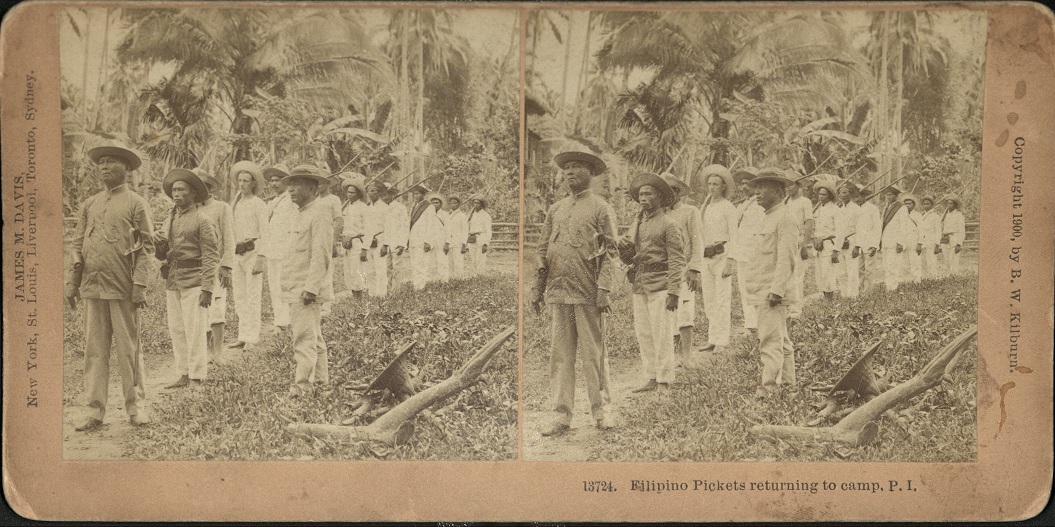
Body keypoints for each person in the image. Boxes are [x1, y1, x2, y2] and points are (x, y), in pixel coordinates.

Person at [66, 144, 154, 430]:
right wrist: (72, 282)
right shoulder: (90, 203)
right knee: (95, 352)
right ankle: (94, 411)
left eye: (110, 162)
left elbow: (146, 248)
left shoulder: (135, 203)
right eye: (100, 163)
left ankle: (136, 408)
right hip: (93, 287)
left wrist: (139, 284)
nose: (103, 167)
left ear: (125, 168)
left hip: (123, 287)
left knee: (129, 349)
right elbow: (77, 243)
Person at [532, 146, 618, 435]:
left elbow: (610, 253)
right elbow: (542, 251)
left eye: (577, 167)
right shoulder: (556, 209)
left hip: (588, 291)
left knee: (594, 353)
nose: (569, 172)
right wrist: (537, 289)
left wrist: (604, 288)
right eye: (566, 168)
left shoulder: (601, 208)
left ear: (591, 173)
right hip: (559, 291)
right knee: (560, 356)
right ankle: (561, 415)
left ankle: (602, 411)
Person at [619, 173, 685, 393]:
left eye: (648, 194)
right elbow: (630, 255)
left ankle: (665, 379)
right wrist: (623, 250)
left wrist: (674, 291)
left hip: (661, 284)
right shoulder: (637, 223)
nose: (643, 198)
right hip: (640, 283)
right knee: (644, 332)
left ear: (660, 197)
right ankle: (651, 376)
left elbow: (677, 259)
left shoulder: (669, 224)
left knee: (662, 332)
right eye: (640, 194)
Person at [156, 168, 220, 392]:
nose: (176, 194)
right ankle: (183, 372)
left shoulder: (203, 219)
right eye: (174, 190)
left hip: (194, 279)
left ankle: (197, 376)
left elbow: (211, 255)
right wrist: (159, 247)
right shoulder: (171, 218)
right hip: (173, 279)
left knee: (195, 329)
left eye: (182, 190)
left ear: (193, 194)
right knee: (177, 328)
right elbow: (164, 251)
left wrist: (207, 287)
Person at [743, 168, 799, 397]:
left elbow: (787, 258)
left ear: (777, 190)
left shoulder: (785, 218)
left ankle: (769, 388)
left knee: (769, 340)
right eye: (755, 188)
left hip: (771, 292)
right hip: (762, 288)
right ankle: (788, 385)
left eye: (761, 188)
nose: (756, 193)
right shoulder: (769, 216)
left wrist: (776, 290)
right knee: (781, 339)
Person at [281, 165, 335, 397]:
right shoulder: (302, 214)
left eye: (296, 185)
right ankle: (321, 384)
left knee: (303, 339)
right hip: (297, 285)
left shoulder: (320, 214)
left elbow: (321, 254)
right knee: (315, 337)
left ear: (312, 188)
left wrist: (311, 288)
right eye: (290, 185)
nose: (290, 189)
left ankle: (302, 388)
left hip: (306, 289)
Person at [222, 160, 268, 351]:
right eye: (240, 180)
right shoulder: (235, 204)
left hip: (253, 250)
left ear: (253, 183)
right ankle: (242, 335)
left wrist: (261, 257)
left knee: (252, 295)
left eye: (246, 181)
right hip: (237, 253)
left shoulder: (258, 204)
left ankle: (252, 337)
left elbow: (265, 232)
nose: (242, 184)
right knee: (239, 296)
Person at [661, 172, 703, 364]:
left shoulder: (689, 211)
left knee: (685, 311)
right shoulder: (658, 214)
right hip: (663, 270)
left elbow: (697, 241)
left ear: (677, 192)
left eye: (671, 191)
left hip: (684, 267)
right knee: (668, 312)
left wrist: (694, 268)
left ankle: (687, 355)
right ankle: (675, 355)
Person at [196, 170, 236, 362]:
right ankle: (204, 352)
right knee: (199, 310)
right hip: (195, 267)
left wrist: (226, 265)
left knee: (216, 309)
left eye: (203, 186)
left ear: (209, 188)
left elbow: (229, 237)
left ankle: (218, 352)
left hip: (216, 265)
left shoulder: (221, 208)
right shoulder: (189, 208)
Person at [697, 165, 737, 353]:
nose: (712, 187)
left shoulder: (728, 207)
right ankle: (712, 338)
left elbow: (734, 236)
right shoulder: (704, 208)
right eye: (710, 184)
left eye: (716, 184)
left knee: (722, 298)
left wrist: (731, 260)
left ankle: (722, 340)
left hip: (722, 254)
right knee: (709, 299)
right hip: (706, 256)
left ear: (723, 187)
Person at [262, 164, 297, 335]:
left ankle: (287, 321)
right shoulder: (272, 202)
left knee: (285, 286)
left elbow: (293, 226)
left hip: (286, 250)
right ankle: (280, 320)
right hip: (272, 250)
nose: (274, 184)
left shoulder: (290, 201)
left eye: (278, 180)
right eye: (271, 181)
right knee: (274, 286)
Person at [730, 168, 764, 337]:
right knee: (744, 289)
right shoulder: (744, 204)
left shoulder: (758, 204)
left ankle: (756, 324)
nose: (743, 187)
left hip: (754, 252)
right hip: (742, 252)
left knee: (755, 288)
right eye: (741, 184)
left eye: (747, 184)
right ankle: (750, 323)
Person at [783, 175, 814, 319]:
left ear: (799, 185)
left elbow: (809, 223)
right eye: (786, 185)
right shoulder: (785, 202)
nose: (788, 188)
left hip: (799, 239)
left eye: (791, 185)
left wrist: (805, 245)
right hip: (785, 240)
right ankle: (787, 307)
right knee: (786, 275)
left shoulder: (805, 202)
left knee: (797, 276)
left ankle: (796, 311)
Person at [407, 184, 443, 290]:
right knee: (414, 264)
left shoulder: (429, 207)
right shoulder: (413, 207)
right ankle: (416, 285)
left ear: (423, 194)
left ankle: (420, 287)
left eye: (417, 193)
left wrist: (428, 241)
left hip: (422, 240)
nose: (415, 196)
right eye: (414, 194)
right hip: (413, 239)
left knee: (421, 264)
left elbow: (431, 225)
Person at [340, 174, 370, 299]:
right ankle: (354, 298)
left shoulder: (363, 208)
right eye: (348, 192)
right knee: (349, 272)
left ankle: (360, 299)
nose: (350, 195)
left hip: (358, 243)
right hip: (347, 243)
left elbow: (368, 229)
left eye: (353, 193)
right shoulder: (347, 208)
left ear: (358, 194)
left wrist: (365, 249)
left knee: (357, 271)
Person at [879, 185, 912, 291]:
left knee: (893, 266)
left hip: (895, 242)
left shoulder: (901, 208)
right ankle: (889, 287)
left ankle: (892, 288)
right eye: (887, 195)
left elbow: (904, 226)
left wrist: (900, 242)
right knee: (887, 266)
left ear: (896, 196)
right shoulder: (886, 207)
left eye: (890, 195)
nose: (888, 197)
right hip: (886, 241)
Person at [811, 177, 839, 300]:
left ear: (830, 196)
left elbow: (840, 231)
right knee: (820, 273)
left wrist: (835, 250)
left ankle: (829, 299)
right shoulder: (819, 210)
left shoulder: (835, 210)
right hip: (818, 246)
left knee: (828, 273)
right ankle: (824, 297)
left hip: (829, 245)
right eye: (819, 194)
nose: (821, 197)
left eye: (824, 195)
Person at [833, 181, 861, 298]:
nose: (842, 195)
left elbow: (860, 228)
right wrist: (836, 246)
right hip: (840, 241)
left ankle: (853, 295)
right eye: (840, 193)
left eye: (845, 192)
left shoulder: (856, 209)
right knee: (841, 271)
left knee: (852, 270)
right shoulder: (839, 209)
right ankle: (845, 295)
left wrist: (857, 246)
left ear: (851, 194)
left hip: (852, 240)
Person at [364, 181, 390, 297]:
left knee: (380, 269)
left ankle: (381, 295)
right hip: (369, 240)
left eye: (374, 191)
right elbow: (366, 228)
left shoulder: (385, 207)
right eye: (369, 191)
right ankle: (372, 294)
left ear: (379, 192)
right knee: (370, 271)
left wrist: (386, 244)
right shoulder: (368, 208)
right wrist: (364, 246)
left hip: (380, 239)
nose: (371, 193)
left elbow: (389, 227)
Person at [855, 187, 882, 294]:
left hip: (869, 243)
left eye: (859, 197)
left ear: (864, 197)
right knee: (859, 269)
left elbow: (877, 227)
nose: (857, 199)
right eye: (855, 197)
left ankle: (867, 293)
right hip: (858, 244)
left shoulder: (872, 208)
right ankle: (860, 292)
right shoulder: (855, 209)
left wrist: (874, 245)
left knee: (869, 270)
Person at [383, 184, 410, 290]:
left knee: (396, 268)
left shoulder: (400, 208)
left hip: (396, 242)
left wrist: (402, 244)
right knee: (387, 268)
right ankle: (388, 291)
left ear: (392, 195)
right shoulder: (383, 208)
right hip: (385, 243)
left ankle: (395, 292)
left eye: (386, 195)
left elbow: (405, 226)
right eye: (382, 195)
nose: (384, 198)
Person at [427, 192, 451, 283]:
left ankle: (444, 281)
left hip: (442, 241)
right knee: (431, 263)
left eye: (436, 203)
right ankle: (433, 281)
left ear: (440, 204)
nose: (434, 204)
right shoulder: (428, 215)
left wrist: (447, 243)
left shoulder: (445, 215)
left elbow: (449, 230)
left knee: (442, 262)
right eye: (433, 203)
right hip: (431, 242)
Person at [939, 194, 966, 276]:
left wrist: (959, 244)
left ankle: (953, 277)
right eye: (948, 203)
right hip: (945, 238)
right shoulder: (945, 215)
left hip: (954, 238)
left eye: (951, 203)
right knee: (946, 260)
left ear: (955, 205)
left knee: (953, 259)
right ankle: (947, 277)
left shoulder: (959, 215)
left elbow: (962, 230)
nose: (949, 205)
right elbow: (940, 226)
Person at [467, 196, 493, 276]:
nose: (476, 205)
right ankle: (474, 276)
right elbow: (467, 226)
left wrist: (486, 243)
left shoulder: (485, 215)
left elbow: (488, 230)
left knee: (480, 259)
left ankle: (480, 276)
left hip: (481, 237)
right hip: (472, 238)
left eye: (478, 203)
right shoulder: (471, 215)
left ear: (481, 205)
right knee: (473, 259)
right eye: (474, 203)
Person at [918, 195, 943, 279]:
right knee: (923, 261)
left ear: (932, 205)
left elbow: (938, 231)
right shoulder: (921, 216)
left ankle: (932, 279)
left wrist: (937, 245)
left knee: (931, 262)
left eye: (928, 204)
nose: (926, 206)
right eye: (924, 204)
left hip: (931, 242)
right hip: (922, 242)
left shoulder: (935, 216)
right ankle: (924, 279)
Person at [901, 193, 924, 284]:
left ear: (913, 205)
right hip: (904, 242)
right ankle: (906, 282)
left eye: (909, 203)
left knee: (915, 263)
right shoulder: (902, 215)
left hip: (914, 242)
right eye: (906, 204)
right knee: (904, 264)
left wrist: (920, 243)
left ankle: (917, 282)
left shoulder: (918, 215)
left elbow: (922, 231)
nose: (907, 205)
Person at [447, 195, 470, 279]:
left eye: (455, 203)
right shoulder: (448, 215)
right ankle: (451, 280)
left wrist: (464, 244)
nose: (453, 205)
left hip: (458, 242)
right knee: (450, 263)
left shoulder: (462, 216)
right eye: (451, 203)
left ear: (458, 204)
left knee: (458, 263)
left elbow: (465, 231)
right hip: (449, 242)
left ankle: (459, 280)